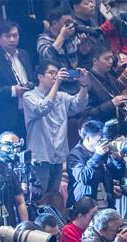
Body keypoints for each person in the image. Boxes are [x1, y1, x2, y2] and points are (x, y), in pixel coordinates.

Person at [24, 62, 90, 197]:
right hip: (40, 156)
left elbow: (79, 105)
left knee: (53, 197)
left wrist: (83, 85)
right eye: (51, 73)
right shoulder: (29, 96)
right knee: (38, 197)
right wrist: (57, 83)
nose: (55, 76)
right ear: (40, 77)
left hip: (58, 156)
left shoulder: (62, 96)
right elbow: (42, 108)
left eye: (57, 73)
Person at [67, 119, 124, 208]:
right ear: (87, 138)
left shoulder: (104, 153)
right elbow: (84, 177)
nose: (103, 143)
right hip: (85, 209)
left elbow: (117, 175)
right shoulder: (75, 155)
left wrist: (118, 161)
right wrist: (97, 155)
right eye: (99, 140)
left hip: (106, 206)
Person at [84, 47, 127, 122]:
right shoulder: (86, 82)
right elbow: (87, 113)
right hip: (101, 126)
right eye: (107, 59)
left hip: (119, 122)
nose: (110, 61)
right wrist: (111, 104)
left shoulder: (111, 78)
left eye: (111, 58)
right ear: (95, 61)